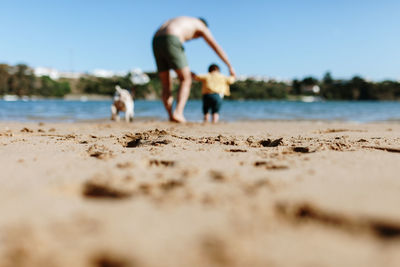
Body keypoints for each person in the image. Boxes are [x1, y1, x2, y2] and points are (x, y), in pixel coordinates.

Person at [152, 16, 235, 122]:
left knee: (166, 84)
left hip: (156, 40)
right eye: (197, 37)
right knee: (186, 79)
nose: (194, 38)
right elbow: (215, 47)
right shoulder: (201, 25)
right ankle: (178, 113)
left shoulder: (185, 20)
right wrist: (229, 66)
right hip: (172, 37)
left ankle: (170, 115)